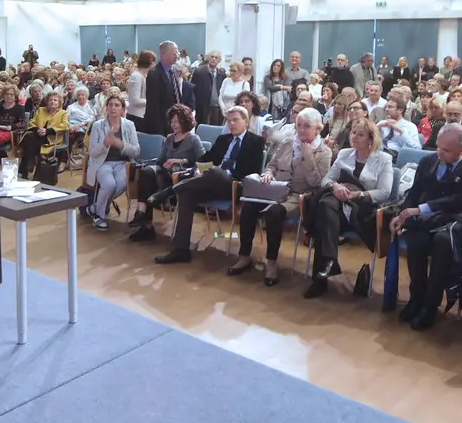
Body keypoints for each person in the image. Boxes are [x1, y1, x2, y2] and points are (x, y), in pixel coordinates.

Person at [390, 123, 462, 330]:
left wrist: (423, 209)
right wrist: (403, 214)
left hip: (455, 220)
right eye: (438, 147)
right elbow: (414, 193)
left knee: (443, 244)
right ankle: (417, 298)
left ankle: (430, 305)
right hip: (427, 219)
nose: (439, 153)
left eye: (446, 150)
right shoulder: (428, 161)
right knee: (416, 240)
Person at [227, 108, 331, 286]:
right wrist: (268, 174)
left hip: (298, 195)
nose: (302, 130)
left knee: (274, 214)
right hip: (274, 189)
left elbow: (317, 183)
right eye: (299, 125)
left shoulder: (324, 152)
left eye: (307, 126)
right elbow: (272, 164)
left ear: (318, 129)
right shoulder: (288, 142)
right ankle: (244, 256)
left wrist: (307, 158)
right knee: (249, 208)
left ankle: (272, 263)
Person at [154, 106, 264, 265]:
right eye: (229, 120)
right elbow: (205, 159)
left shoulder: (256, 141)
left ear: (246, 121)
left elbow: (253, 171)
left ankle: (171, 190)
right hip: (211, 182)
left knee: (215, 172)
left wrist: (216, 172)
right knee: (187, 195)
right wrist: (195, 167)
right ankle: (181, 250)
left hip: (236, 185)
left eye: (236, 120)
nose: (231, 124)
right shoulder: (223, 139)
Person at [304, 119, 393, 298]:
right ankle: (328, 263)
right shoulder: (344, 154)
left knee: (324, 211)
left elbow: (384, 192)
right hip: (337, 206)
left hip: (361, 210)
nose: (354, 137)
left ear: (371, 139)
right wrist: (336, 187)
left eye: (360, 134)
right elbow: (326, 180)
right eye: (353, 132)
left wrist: (357, 195)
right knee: (325, 206)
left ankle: (322, 276)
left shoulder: (384, 159)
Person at [128, 105, 205, 242]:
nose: (173, 124)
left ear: (185, 120)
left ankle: (146, 225)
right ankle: (141, 213)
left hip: (180, 178)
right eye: (172, 121)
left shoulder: (193, 139)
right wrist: (164, 163)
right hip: (164, 174)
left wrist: (181, 160)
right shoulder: (169, 138)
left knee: (149, 183)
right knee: (146, 173)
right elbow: (159, 160)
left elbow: (203, 160)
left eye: (176, 121)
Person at [86, 95, 140, 231]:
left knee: (122, 184)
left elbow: (136, 151)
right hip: (102, 163)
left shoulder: (129, 125)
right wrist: (105, 143)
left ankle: (96, 206)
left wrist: (121, 145)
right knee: (109, 184)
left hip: (123, 163)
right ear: (106, 107)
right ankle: (99, 216)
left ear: (122, 109)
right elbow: (92, 152)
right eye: (110, 105)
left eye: (117, 105)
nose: (113, 108)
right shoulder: (98, 125)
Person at [19, 92, 69, 179]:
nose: (52, 102)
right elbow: (32, 122)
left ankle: (26, 169)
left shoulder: (63, 113)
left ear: (59, 102)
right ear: (47, 102)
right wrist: (38, 129)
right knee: (30, 138)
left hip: (51, 138)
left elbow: (65, 125)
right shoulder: (41, 110)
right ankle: (29, 165)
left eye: (55, 100)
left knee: (29, 142)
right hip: (36, 134)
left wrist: (47, 131)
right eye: (50, 100)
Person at [144, 40, 180, 135]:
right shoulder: (154, 74)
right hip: (161, 126)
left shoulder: (173, 71)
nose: (177, 55)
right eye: (174, 53)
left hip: (173, 123)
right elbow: (153, 105)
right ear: (163, 55)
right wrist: (159, 131)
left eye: (177, 52)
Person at [190, 50, 225, 126]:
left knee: (215, 130)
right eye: (212, 56)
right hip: (203, 107)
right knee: (202, 128)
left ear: (219, 60)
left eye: (216, 57)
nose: (214, 59)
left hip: (217, 107)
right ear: (208, 58)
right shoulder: (199, 72)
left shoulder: (221, 73)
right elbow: (193, 89)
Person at [126, 50, 153, 130]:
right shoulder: (136, 76)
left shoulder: (144, 75)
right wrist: (152, 101)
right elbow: (135, 100)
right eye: (153, 62)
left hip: (142, 116)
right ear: (150, 62)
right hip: (136, 117)